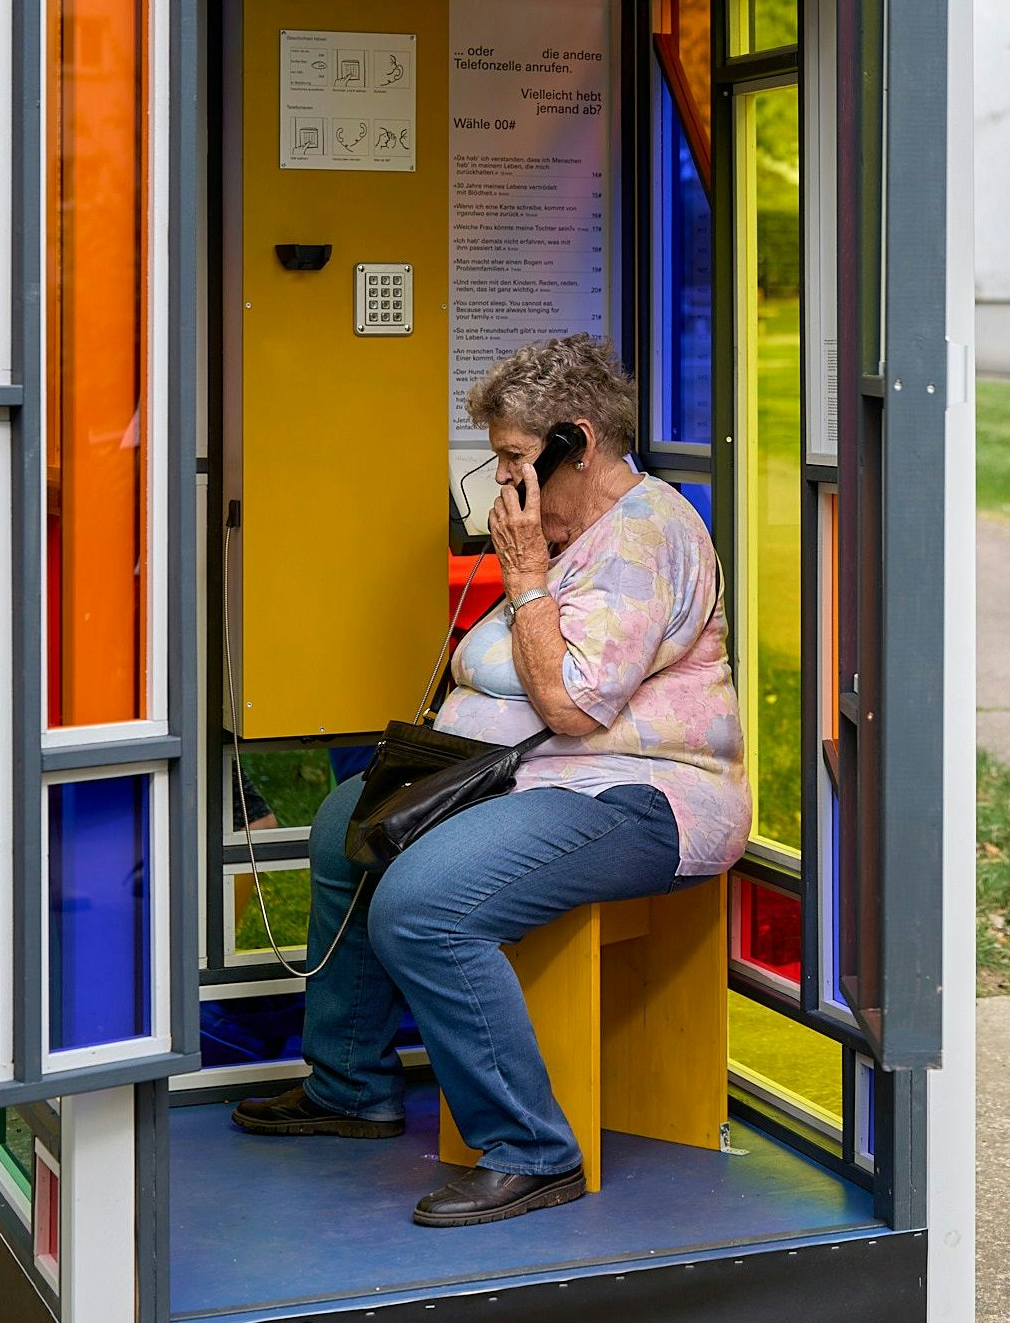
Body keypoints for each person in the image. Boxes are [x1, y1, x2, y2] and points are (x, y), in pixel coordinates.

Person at [233, 335, 747, 1228]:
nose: (502, 482)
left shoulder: (645, 537)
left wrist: (524, 579)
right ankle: (351, 1087)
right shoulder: (571, 529)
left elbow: (576, 704)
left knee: (424, 905)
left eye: (514, 458)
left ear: (575, 445)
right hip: (528, 777)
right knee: (347, 826)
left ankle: (530, 1150)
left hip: (639, 795)